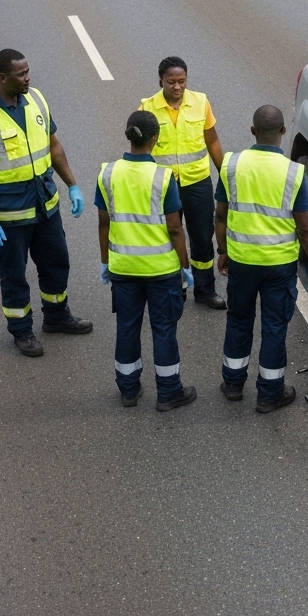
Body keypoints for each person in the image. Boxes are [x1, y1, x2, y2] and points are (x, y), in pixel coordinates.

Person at [0, 49, 91, 357]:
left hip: (45, 205)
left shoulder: (36, 99)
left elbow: (54, 145)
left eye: (28, 71)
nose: (28, 77)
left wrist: (72, 185)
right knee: (14, 274)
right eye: (21, 74)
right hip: (9, 216)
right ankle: (21, 330)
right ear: (2, 77)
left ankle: (57, 316)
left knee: (56, 262)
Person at [215, 105, 308, 413]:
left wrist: (223, 250)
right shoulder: (293, 172)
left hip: (241, 261)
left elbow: (220, 215)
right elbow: (306, 227)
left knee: (238, 320)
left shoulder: (232, 166)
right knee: (274, 326)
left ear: (252, 131)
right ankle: (270, 393)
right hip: (278, 266)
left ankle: (233, 385)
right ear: (283, 132)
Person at [96, 111, 197, 411]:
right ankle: (168, 393)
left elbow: (103, 223)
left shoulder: (108, 173)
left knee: (127, 326)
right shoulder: (164, 177)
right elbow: (175, 228)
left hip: (123, 268)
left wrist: (105, 261)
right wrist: (185, 266)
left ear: (129, 135)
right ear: (155, 139)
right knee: (163, 329)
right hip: (161, 270)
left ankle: (128, 390)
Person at [139, 57, 227, 310]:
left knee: (202, 237)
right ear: (161, 81)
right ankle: (174, 287)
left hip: (197, 182)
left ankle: (205, 290)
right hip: (164, 186)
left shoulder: (200, 102)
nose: (177, 87)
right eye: (171, 82)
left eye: (181, 81)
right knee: (169, 236)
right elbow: (143, 150)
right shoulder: (147, 108)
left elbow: (212, 141)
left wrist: (225, 174)